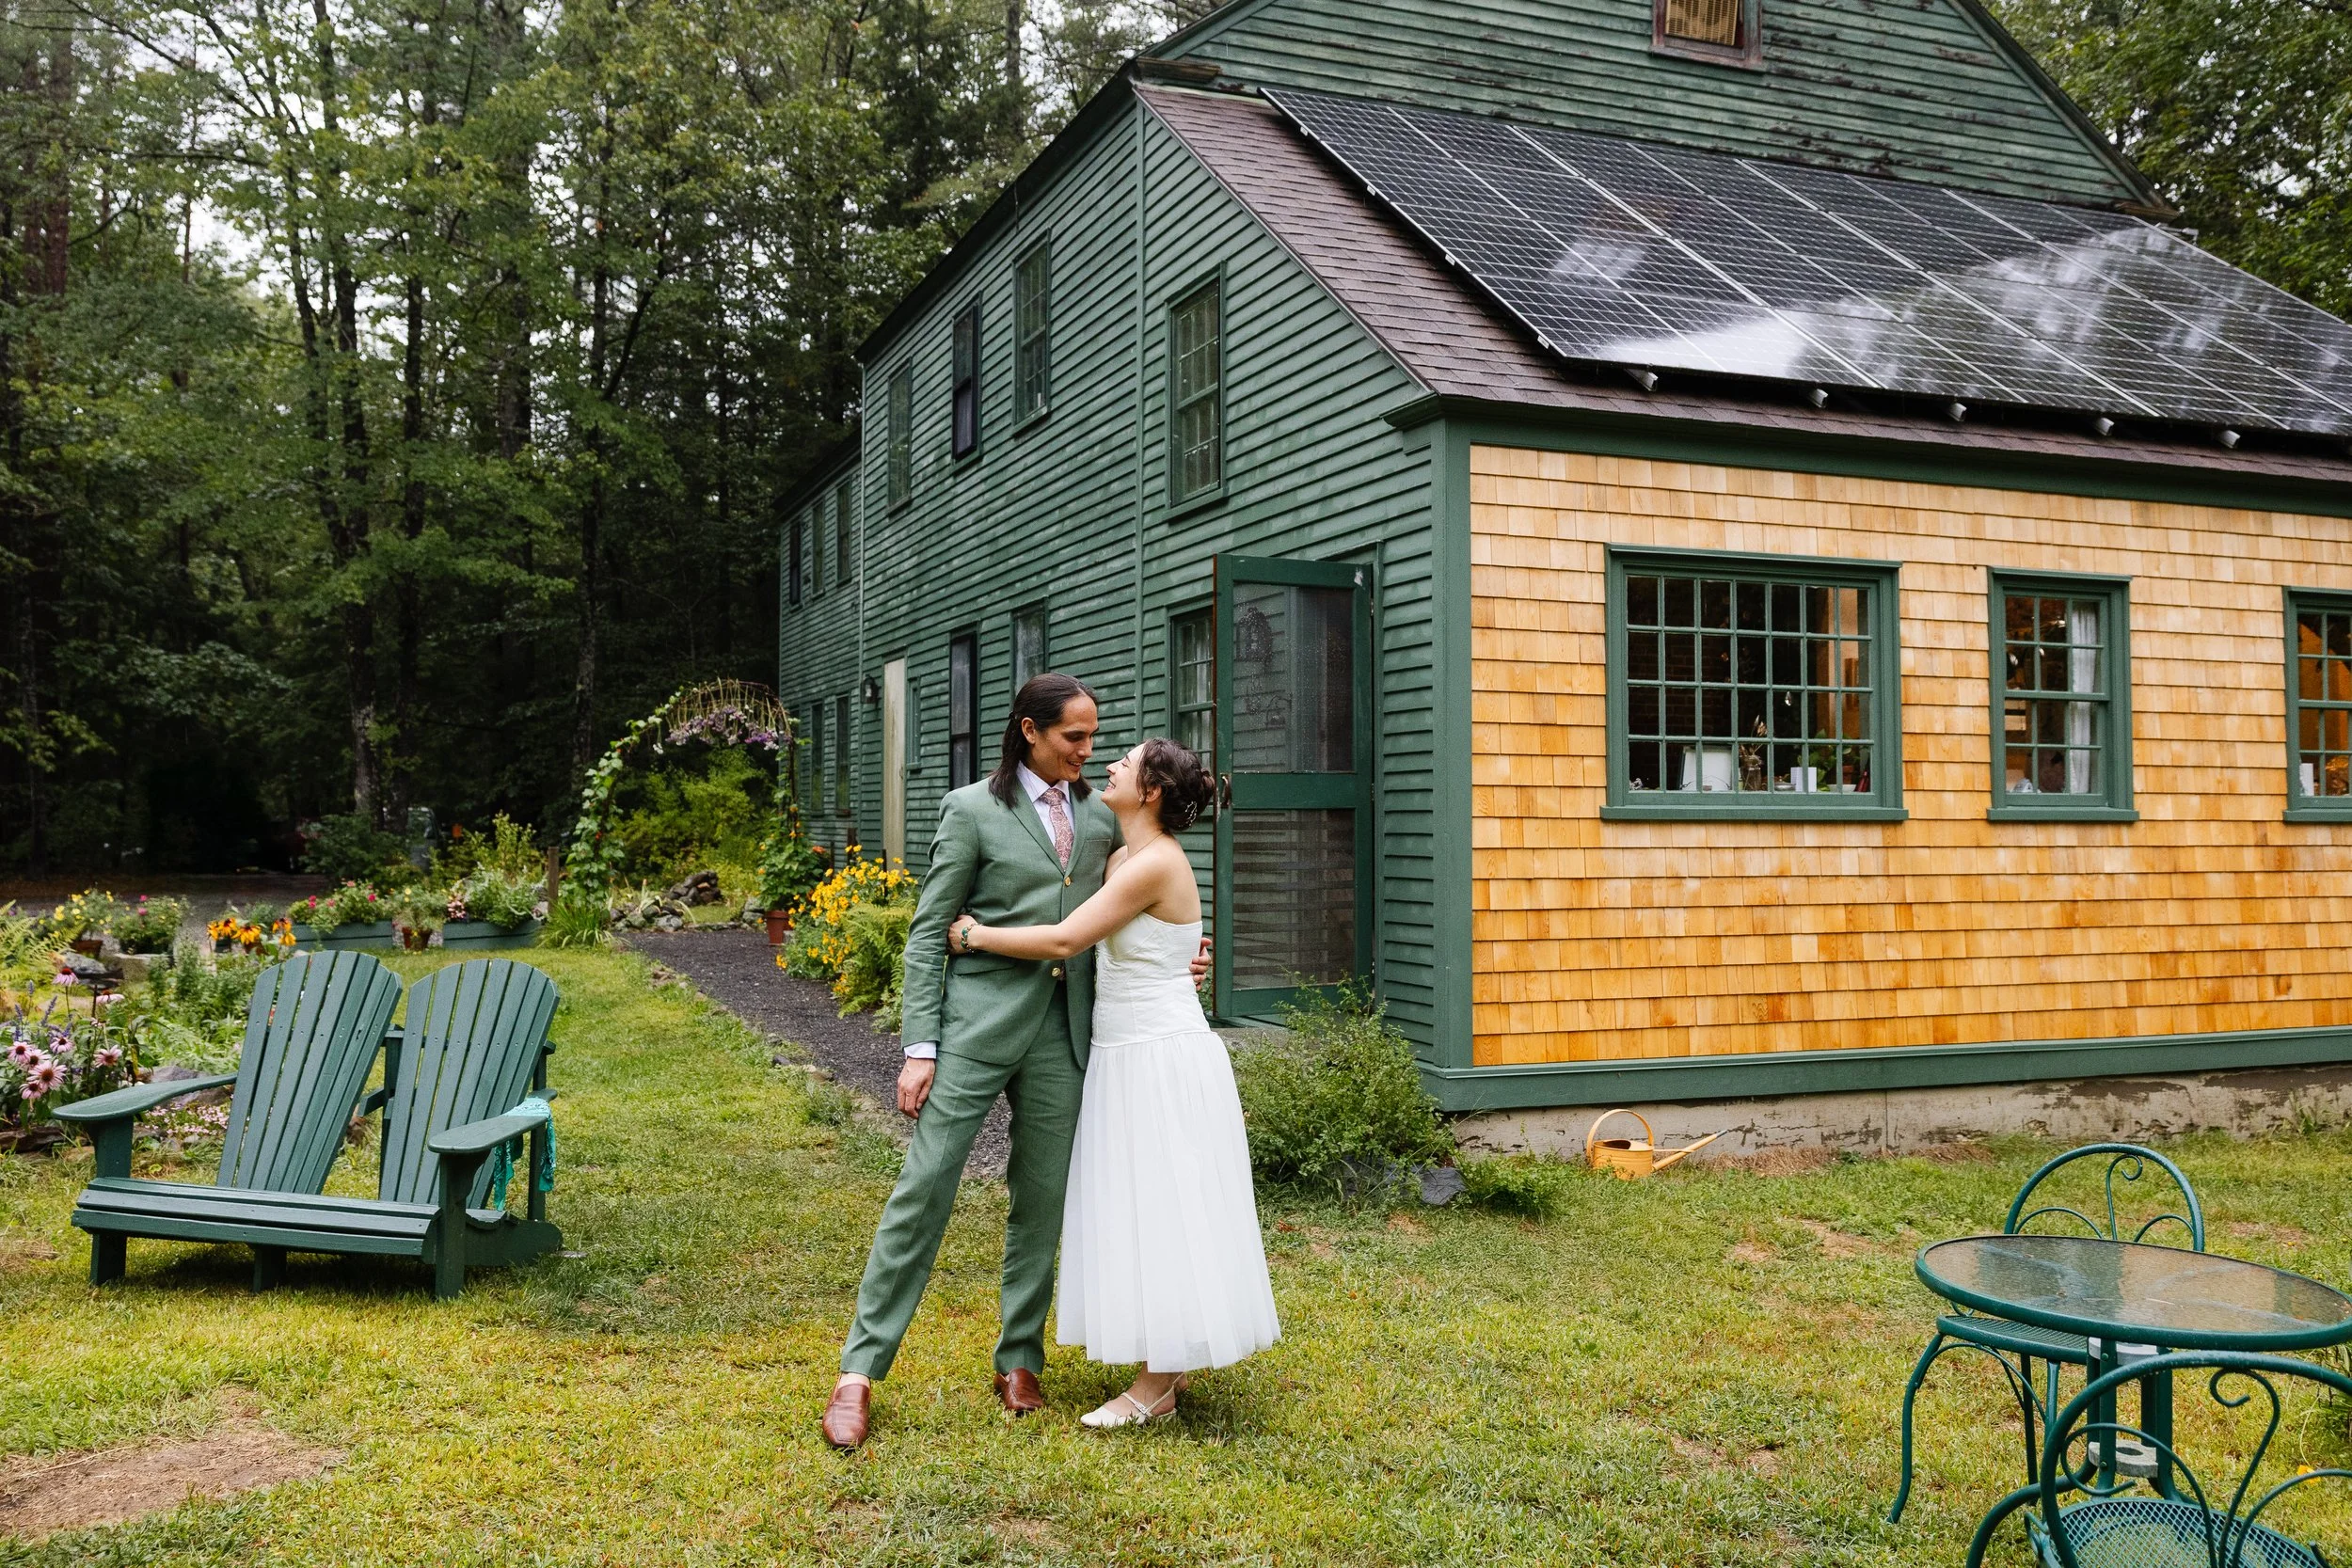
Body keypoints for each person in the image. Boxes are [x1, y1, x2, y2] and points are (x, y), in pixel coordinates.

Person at [820, 675, 1206, 1449]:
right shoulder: (970, 810)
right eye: (1075, 737)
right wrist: (920, 1047)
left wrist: (1177, 959)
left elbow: (1125, 908)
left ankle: (1019, 1357)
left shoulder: (1107, 817)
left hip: (1067, 1034)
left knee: (1042, 1199)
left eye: (1098, 739)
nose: (1089, 751)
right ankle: (859, 1371)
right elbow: (931, 931)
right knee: (924, 1186)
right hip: (974, 1031)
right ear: (1029, 731)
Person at [947, 736, 1278, 1428]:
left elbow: (1067, 939)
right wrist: (1186, 956)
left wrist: (975, 934)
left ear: (1151, 789)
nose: (1110, 766)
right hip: (1127, 1047)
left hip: (1158, 1054)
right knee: (1147, 1202)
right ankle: (1170, 1361)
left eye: (1125, 762)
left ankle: (1155, 1384)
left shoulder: (1153, 862)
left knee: (1164, 1206)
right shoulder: (1123, 854)